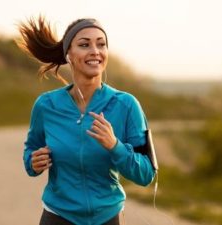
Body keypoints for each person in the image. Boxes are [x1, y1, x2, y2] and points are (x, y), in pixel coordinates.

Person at [17, 16, 156, 225]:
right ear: (69, 55)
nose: (95, 51)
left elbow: (146, 174)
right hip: (58, 215)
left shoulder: (126, 105)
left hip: (107, 217)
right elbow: (31, 150)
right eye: (84, 45)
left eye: (101, 44)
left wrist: (115, 146)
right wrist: (33, 162)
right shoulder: (46, 106)